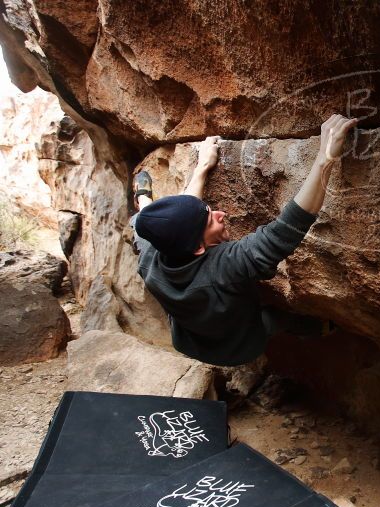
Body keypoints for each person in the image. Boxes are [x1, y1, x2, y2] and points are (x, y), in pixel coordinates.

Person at [129, 114, 358, 366]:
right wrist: (325, 158)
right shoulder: (223, 269)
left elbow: (146, 222)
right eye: (211, 220)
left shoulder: (150, 255)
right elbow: (286, 230)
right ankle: (316, 327)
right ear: (197, 248)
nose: (221, 214)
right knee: (276, 318)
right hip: (237, 347)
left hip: (190, 339)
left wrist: (201, 167)